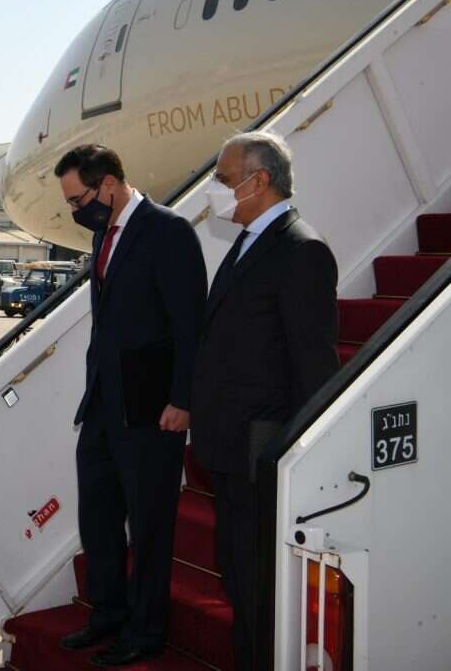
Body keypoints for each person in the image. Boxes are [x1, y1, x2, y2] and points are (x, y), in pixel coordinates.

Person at [191, 131, 339, 670]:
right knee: (239, 580)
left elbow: (314, 368)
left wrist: (298, 456)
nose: (216, 189)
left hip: (260, 457)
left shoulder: (302, 251)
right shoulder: (249, 242)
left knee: (258, 588)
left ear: (259, 181)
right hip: (230, 452)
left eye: (224, 179)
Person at [54, 145, 207, 665]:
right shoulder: (103, 233)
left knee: (148, 526)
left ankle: (144, 632)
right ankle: (108, 615)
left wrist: (183, 400)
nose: (76, 211)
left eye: (80, 199)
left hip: (151, 410)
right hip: (101, 406)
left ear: (111, 184)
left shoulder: (168, 232)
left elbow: (191, 326)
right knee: (97, 519)